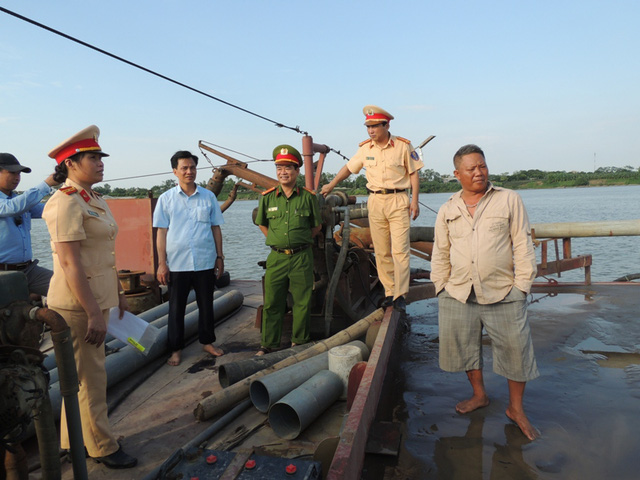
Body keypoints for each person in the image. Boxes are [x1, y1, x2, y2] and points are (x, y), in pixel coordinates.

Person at [430, 144, 540, 441]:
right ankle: (479, 395)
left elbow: (523, 245)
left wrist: (522, 286)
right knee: (466, 349)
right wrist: (441, 286)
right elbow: (440, 252)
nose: (478, 172)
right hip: (458, 292)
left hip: (503, 291)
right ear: (457, 174)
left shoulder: (509, 200)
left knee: (516, 352)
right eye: (471, 169)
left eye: (482, 166)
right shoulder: (447, 208)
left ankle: (516, 409)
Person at [42, 125, 137, 468]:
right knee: (90, 381)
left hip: (96, 298)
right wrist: (95, 312)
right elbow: (69, 262)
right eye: (93, 157)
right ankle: (102, 447)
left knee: (77, 378)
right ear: (70, 163)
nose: (100, 163)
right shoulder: (64, 203)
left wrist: (119, 293)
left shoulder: (92, 198)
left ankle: (74, 441)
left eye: (100, 157)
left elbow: (103, 254)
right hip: (78, 305)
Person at [320, 105, 423, 311]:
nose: (371, 131)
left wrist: (415, 201)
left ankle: (400, 295)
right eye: (368, 127)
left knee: (400, 250)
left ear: (386, 125)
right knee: (382, 249)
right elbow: (350, 168)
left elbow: (413, 173)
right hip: (375, 201)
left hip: (398, 200)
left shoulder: (403, 146)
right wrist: (331, 184)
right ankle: (389, 292)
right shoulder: (365, 148)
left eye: (375, 126)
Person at [153, 150, 225, 367]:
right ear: (175, 171)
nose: (189, 171)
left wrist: (220, 257)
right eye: (184, 168)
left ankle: (207, 342)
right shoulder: (166, 199)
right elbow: (161, 232)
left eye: (192, 167)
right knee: (176, 309)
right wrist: (162, 263)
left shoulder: (208, 197)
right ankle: (176, 349)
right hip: (177, 263)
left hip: (204, 261)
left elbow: (216, 228)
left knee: (206, 305)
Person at [254, 144, 321, 355]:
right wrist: (277, 242)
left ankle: (299, 342)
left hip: (302, 257)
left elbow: (316, 226)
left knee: (302, 301)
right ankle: (269, 345)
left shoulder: (308, 197)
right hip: (277, 258)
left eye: (288, 168)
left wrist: (298, 242)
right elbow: (262, 224)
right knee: (273, 303)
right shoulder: (267, 197)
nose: (283, 172)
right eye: (279, 168)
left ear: (297, 171)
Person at [0, 153, 60, 297]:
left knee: (66, 288)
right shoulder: (15, 203)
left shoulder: (18, 199)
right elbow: (13, 207)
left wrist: (72, 194)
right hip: (3, 273)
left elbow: (48, 210)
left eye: (19, 173)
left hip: (28, 270)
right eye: (12, 172)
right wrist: (47, 184)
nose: (17, 177)